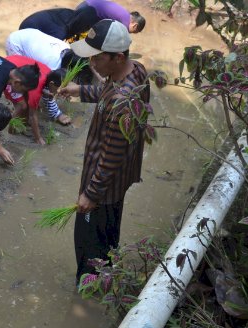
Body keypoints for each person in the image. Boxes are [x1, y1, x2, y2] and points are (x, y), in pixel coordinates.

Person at [57, 19, 149, 282]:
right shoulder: (136, 72)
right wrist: (82, 90)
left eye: (96, 58)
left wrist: (90, 194)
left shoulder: (122, 104)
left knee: (88, 249)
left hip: (103, 188)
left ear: (118, 57)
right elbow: (109, 91)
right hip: (117, 183)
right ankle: (109, 275)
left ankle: (89, 292)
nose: (91, 64)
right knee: (108, 237)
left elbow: (111, 156)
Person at [2, 55, 51, 143]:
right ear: (52, 83)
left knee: (26, 105)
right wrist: (38, 138)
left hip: (14, 65)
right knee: (22, 106)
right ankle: (10, 129)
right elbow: (33, 115)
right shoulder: (36, 87)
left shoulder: (49, 73)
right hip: (10, 75)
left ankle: (23, 122)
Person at [19, 7, 99, 41]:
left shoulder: (70, 14)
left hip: (30, 22)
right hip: (26, 33)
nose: (86, 30)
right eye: (87, 27)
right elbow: (49, 48)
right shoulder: (60, 32)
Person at [77, 0, 145, 33]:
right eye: (134, 32)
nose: (130, 33)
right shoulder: (125, 25)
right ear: (135, 26)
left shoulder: (125, 15)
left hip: (87, 4)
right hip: (87, 10)